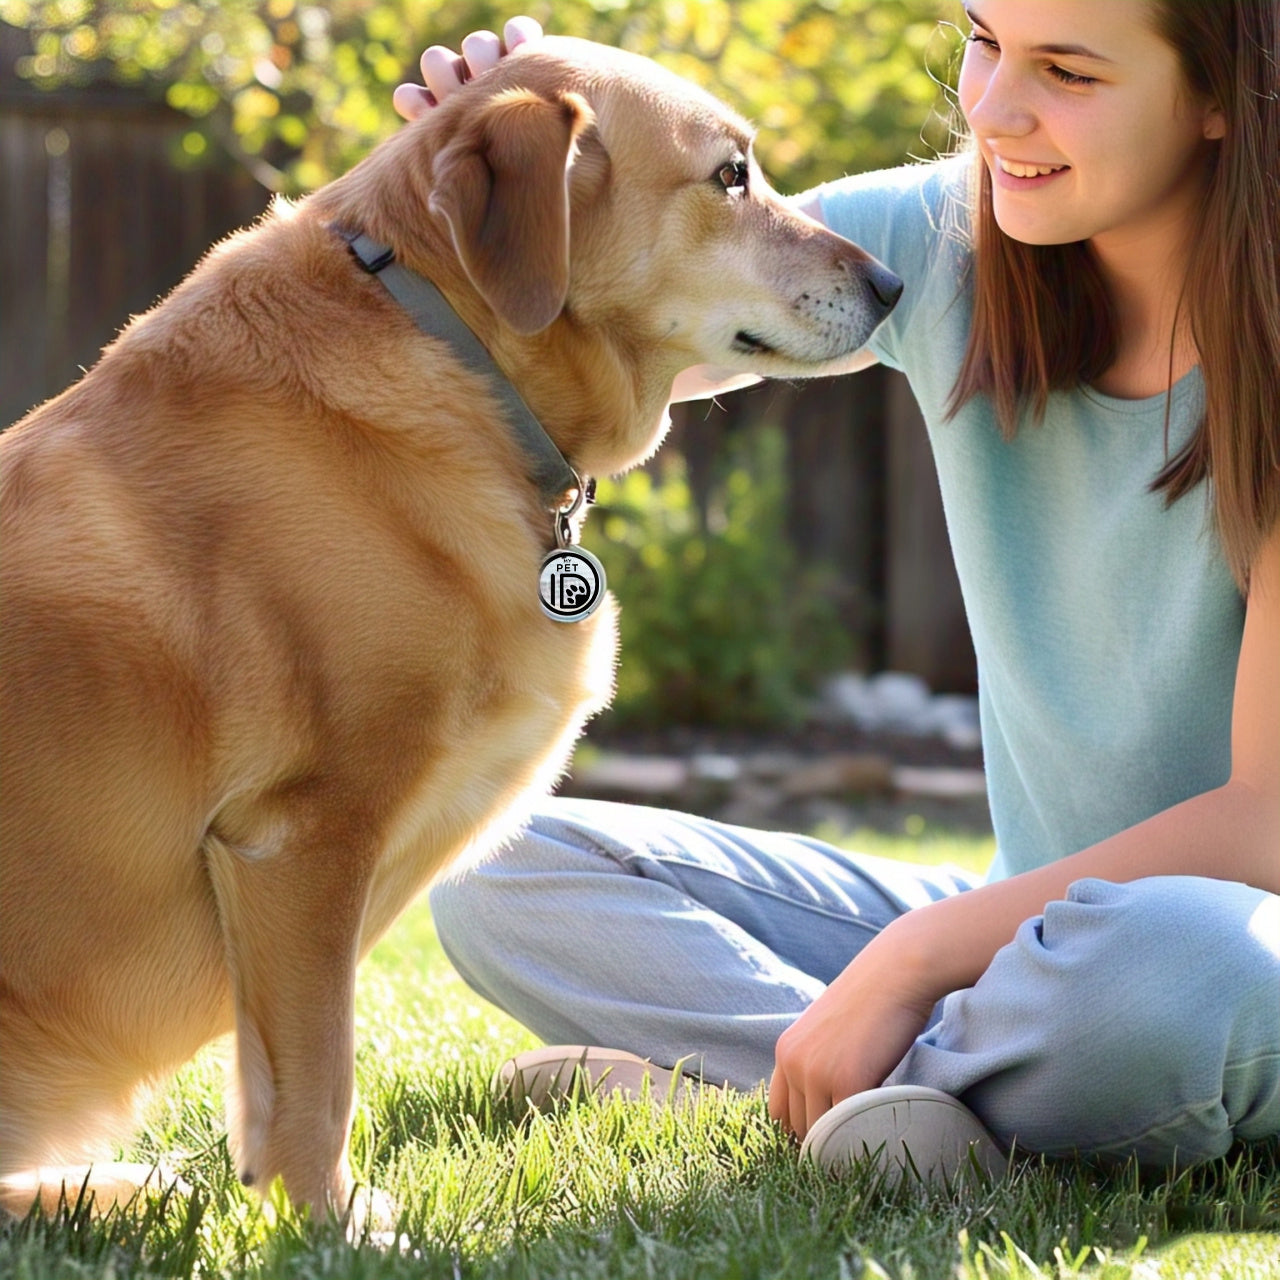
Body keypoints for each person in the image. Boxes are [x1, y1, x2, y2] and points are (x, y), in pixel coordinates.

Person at [395, 2, 1280, 1187]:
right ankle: (895, 1099)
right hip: (1017, 940)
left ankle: (766, 1079)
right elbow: (632, 303)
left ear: (1220, 93)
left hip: (1220, 940)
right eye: (983, 42)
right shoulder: (948, 233)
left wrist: (909, 958)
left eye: (1066, 73)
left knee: (1176, 969)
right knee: (498, 861)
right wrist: (518, 191)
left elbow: (1261, 826)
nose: (990, 111)